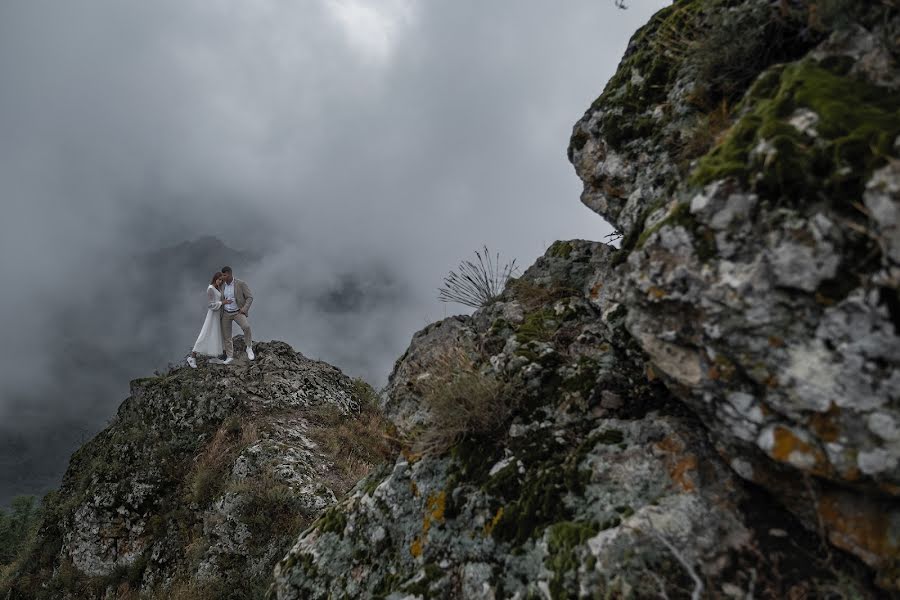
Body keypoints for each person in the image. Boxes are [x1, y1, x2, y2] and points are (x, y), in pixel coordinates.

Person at [187, 272, 226, 368]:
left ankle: (214, 356)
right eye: (219, 279)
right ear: (215, 278)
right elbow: (210, 305)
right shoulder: (210, 289)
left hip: (217, 315)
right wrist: (222, 302)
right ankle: (192, 357)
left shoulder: (217, 288)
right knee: (205, 333)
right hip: (212, 315)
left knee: (215, 334)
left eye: (222, 280)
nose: (220, 281)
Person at [220, 265, 254, 363]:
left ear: (230, 274)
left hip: (237, 312)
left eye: (225, 275)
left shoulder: (240, 283)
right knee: (227, 336)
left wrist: (244, 309)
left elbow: (250, 297)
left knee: (246, 327)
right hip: (226, 313)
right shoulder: (222, 285)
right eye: (222, 275)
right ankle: (229, 356)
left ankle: (249, 347)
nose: (223, 277)